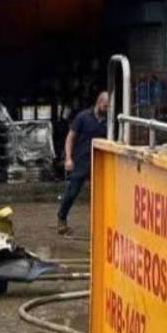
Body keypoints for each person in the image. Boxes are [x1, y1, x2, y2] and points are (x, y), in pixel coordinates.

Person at [57, 90, 109, 235]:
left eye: (108, 107)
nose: (106, 110)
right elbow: (70, 137)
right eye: (105, 106)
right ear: (99, 102)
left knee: (100, 194)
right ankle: (62, 217)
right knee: (72, 191)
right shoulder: (83, 117)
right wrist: (68, 158)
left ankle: (100, 224)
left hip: (99, 161)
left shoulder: (108, 122)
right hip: (81, 160)